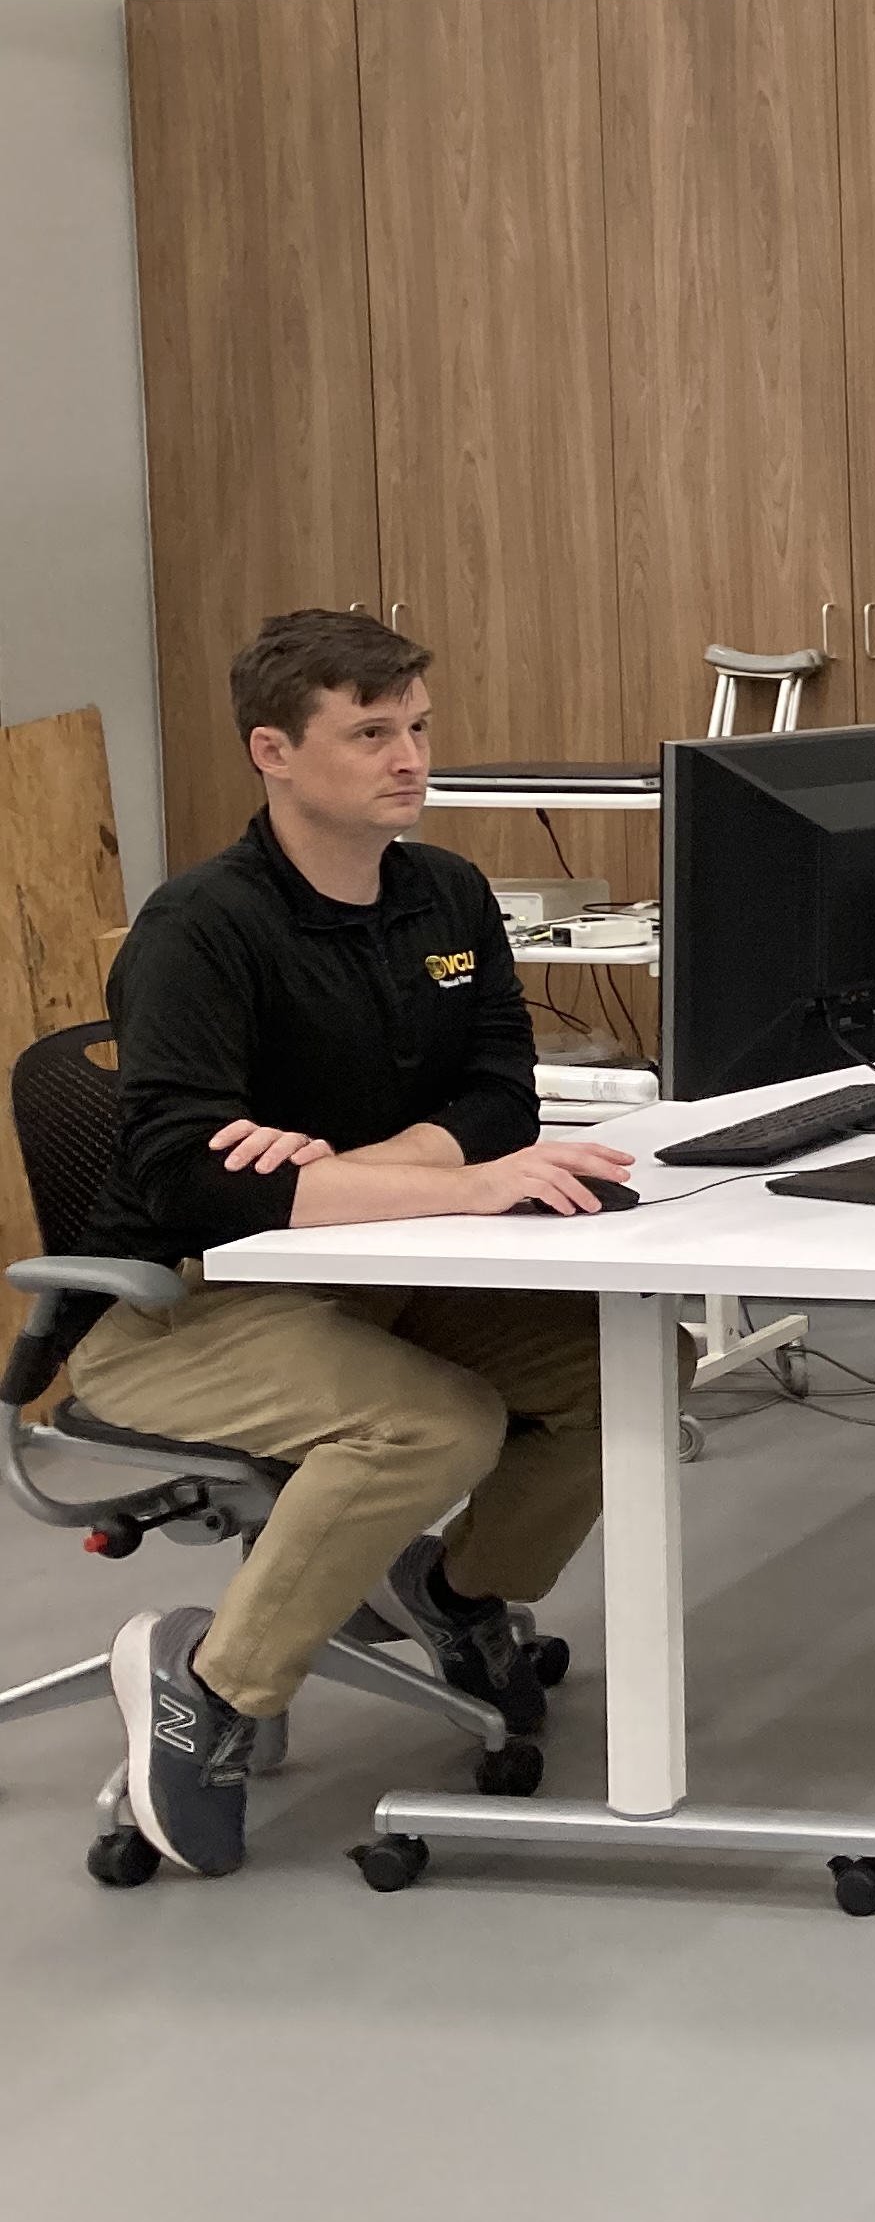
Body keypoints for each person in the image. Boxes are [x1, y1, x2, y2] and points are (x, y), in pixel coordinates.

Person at [71, 609, 635, 1876]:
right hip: (177, 1307)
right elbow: (188, 1174)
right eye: (370, 733)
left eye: (417, 728)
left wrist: (368, 1174)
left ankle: (457, 1595)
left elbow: (502, 1098)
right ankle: (212, 1692)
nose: (407, 759)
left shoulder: (446, 893)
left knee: (625, 1364)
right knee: (434, 1424)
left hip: (371, 1266)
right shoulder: (201, 928)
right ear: (273, 750)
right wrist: (441, 1179)